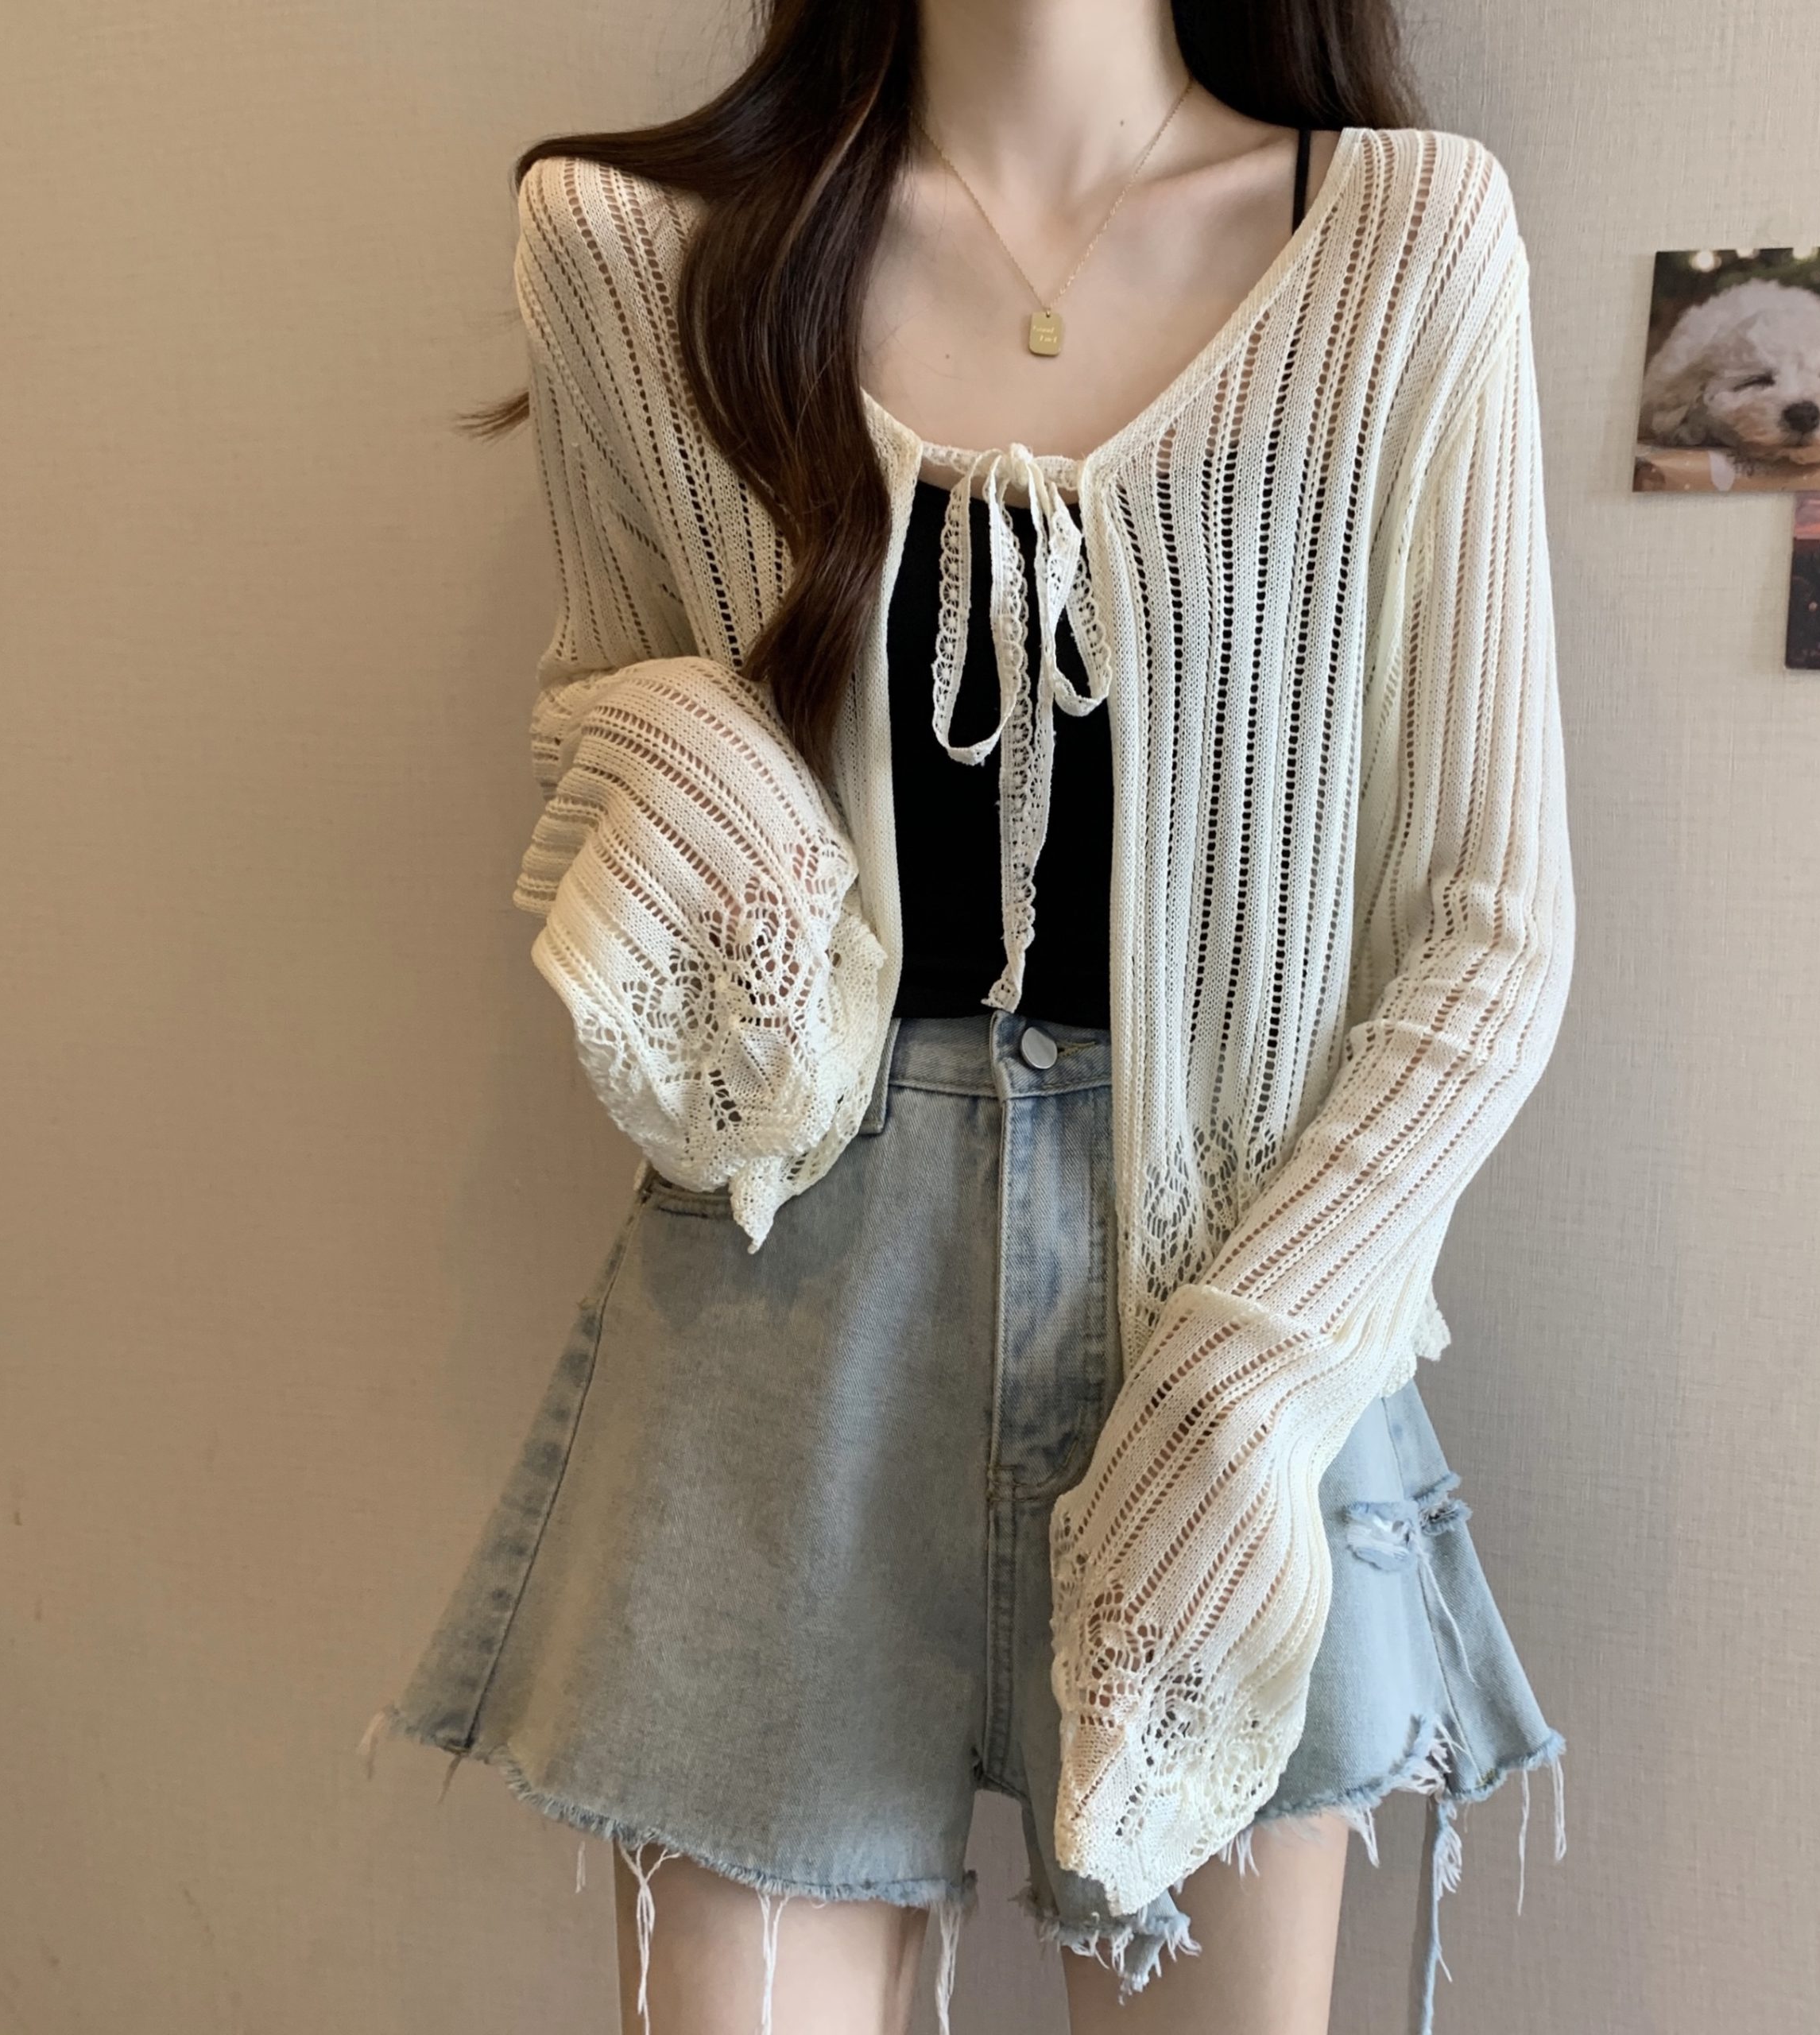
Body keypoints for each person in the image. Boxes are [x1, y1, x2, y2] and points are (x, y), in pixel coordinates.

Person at [358, 3, 1576, 2032]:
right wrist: (708, 848)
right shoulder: (630, 259)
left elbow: (1489, 927)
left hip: (1246, 1321)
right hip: (782, 1322)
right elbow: (616, 786)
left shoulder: (1398, 240)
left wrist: (1237, 1396)